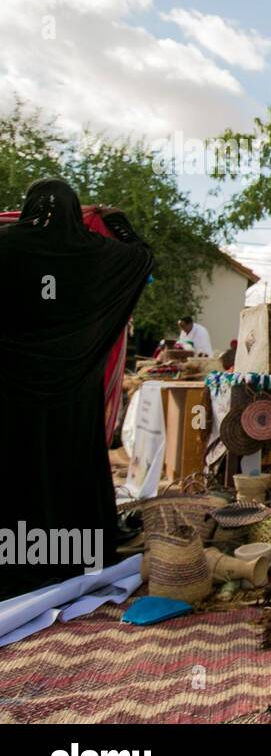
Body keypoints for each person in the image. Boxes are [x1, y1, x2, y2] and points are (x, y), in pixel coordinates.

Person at [0, 179, 153, 600]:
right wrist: (113, 217)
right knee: (66, 466)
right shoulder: (92, 253)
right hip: (73, 393)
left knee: (17, 469)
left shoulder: (6, 244)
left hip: (10, 391)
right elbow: (142, 256)